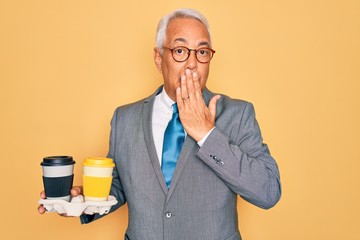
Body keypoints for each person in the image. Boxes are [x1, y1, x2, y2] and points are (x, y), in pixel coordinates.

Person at [38, 8, 281, 240]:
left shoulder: (238, 114)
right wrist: (83, 200)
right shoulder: (125, 118)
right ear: (158, 58)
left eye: (202, 52)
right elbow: (121, 186)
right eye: (179, 51)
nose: (192, 63)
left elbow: (268, 190)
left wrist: (207, 134)